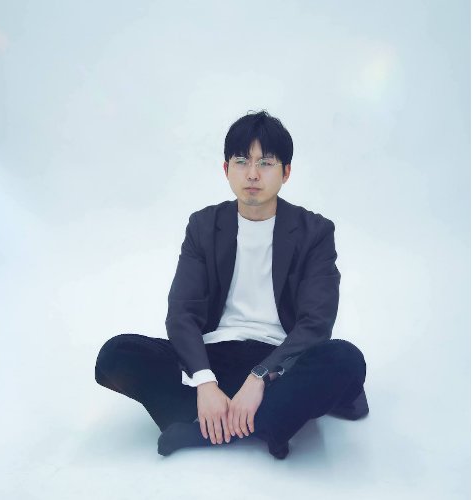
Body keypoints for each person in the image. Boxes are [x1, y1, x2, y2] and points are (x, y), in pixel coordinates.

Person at [95, 110, 369, 459]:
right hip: (214, 356)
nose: (252, 174)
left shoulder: (314, 232)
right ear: (226, 169)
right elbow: (182, 313)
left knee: (346, 359)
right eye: (241, 161)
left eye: (266, 163)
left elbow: (316, 323)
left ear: (286, 172)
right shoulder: (203, 226)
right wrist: (204, 380)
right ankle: (259, 423)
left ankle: (203, 426)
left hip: (278, 365)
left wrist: (260, 376)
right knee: (116, 355)